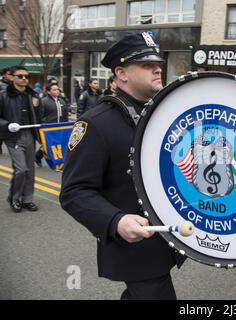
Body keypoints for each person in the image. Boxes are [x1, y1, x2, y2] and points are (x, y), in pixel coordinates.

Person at [60, 32, 184, 300]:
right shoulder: (96, 123)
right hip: (135, 245)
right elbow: (74, 192)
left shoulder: (159, 116)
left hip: (165, 238)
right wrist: (115, 220)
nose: (157, 68)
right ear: (121, 73)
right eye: (146, 64)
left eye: (158, 64)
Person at [0, 66, 40, 212]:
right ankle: (14, 198)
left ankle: (28, 199)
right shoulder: (3, 95)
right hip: (13, 137)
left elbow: (39, 115)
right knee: (21, 169)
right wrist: (7, 125)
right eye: (20, 76)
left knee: (30, 170)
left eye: (26, 76)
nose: (24, 79)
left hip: (30, 135)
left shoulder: (32, 94)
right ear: (12, 77)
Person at [35, 83, 70, 167]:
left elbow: (65, 115)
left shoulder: (62, 101)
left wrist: (66, 125)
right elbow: (40, 115)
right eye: (54, 89)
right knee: (49, 145)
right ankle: (38, 156)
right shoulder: (43, 101)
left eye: (57, 89)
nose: (57, 91)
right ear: (48, 91)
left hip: (60, 127)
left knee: (59, 144)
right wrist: (43, 125)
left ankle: (58, 162)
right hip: (49, 128)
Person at [0, 67, 14, 155]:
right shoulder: (1, 85)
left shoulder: (13, 84)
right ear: (4, 75)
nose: (11, 76)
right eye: (9, 74)